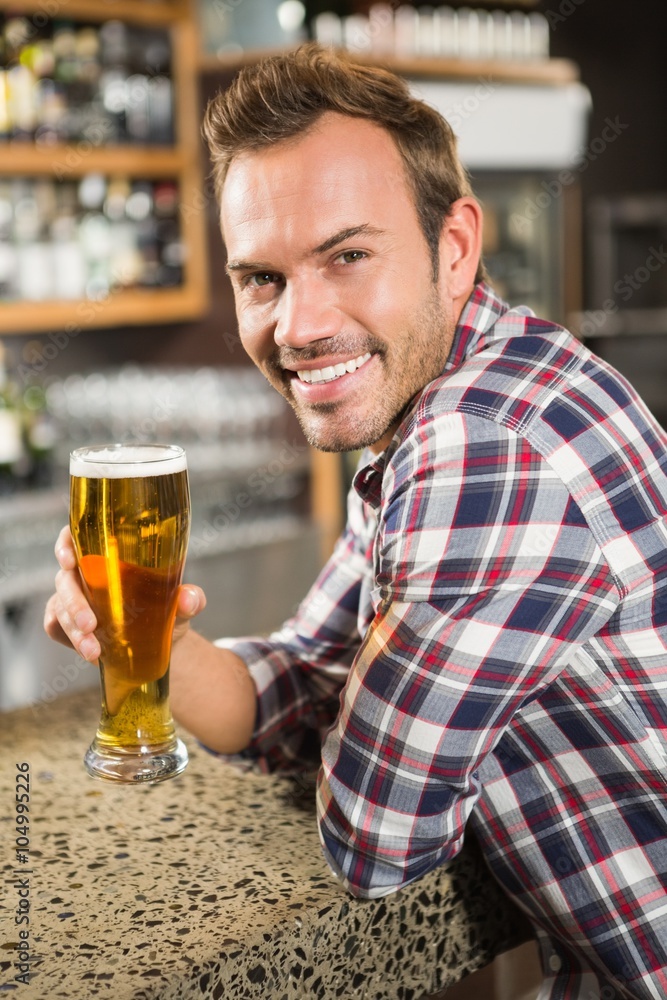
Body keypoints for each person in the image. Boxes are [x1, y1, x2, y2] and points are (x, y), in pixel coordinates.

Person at [45, 44, 667, 1000]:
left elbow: (374, 841)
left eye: (347, 255)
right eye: (262, 278)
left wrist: (356, 713)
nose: (297, 325)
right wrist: (151, 634)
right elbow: (305, 675)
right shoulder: (450, 397)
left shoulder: (482, 446)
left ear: (453, 247)